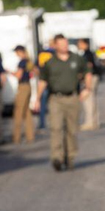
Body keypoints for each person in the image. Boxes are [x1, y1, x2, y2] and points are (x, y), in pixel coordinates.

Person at [34, 34, 92, 171]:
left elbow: (87, 72)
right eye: (61, 43)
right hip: (56, 99)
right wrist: (37, 98)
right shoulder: (50, 63)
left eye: (65, 43)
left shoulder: (77, 59)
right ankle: (57, 157)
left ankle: (70, 157)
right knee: (56, 128)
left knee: (72, 129)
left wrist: (87, 88)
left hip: (72, 97)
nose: (65, 45)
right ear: (55, 45)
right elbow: (43, 81)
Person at [11, 45, 35, 144]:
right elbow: (34, 72)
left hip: (22, 87)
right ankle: (30, 136)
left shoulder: (21, 62)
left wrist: (11, 72)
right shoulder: (29, 61)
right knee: (27, 112)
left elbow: (19, 75)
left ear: (20, 51)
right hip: (28, 86)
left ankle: (16, 137)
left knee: (18, 112)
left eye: (16, 52)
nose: (16, 54)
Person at [78, 38, 101, 130]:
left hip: (90, 78)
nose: (78, 45)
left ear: (84, 44)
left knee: (88, 101)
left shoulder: (87, 55)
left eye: (79, 43)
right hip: (94, 77)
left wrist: (82, 77)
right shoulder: (90, 53)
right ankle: (95, 121)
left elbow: (88, 68)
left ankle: (90, 123)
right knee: (92, 100)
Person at [37, 40, 55, 130]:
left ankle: (42, 124)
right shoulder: (54, 54)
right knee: (54, 104)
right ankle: (55, 122)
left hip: (43, 80)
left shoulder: (41, 54)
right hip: (52, 82)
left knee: (43, 104)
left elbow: (36, 68)